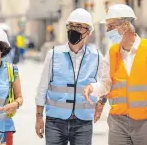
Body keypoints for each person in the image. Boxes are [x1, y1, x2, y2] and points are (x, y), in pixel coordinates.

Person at [84, 4, 147, 145]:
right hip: (117, 121)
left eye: (111, 26)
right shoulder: (112, 52)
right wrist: (93, 87)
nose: (108, 31)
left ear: (126, 25)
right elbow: (106, 84)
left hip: (146, 122)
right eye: (107, 27)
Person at [35, 8, 109, 145]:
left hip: (83, 123)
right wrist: (39, 117)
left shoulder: (97, 57)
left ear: (89, 32)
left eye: (79, 27)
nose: (74, 29)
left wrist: (101, 103)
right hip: (55, 122)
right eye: (71, 26)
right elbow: (42, 88)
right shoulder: (53, 54)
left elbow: (107, 83)